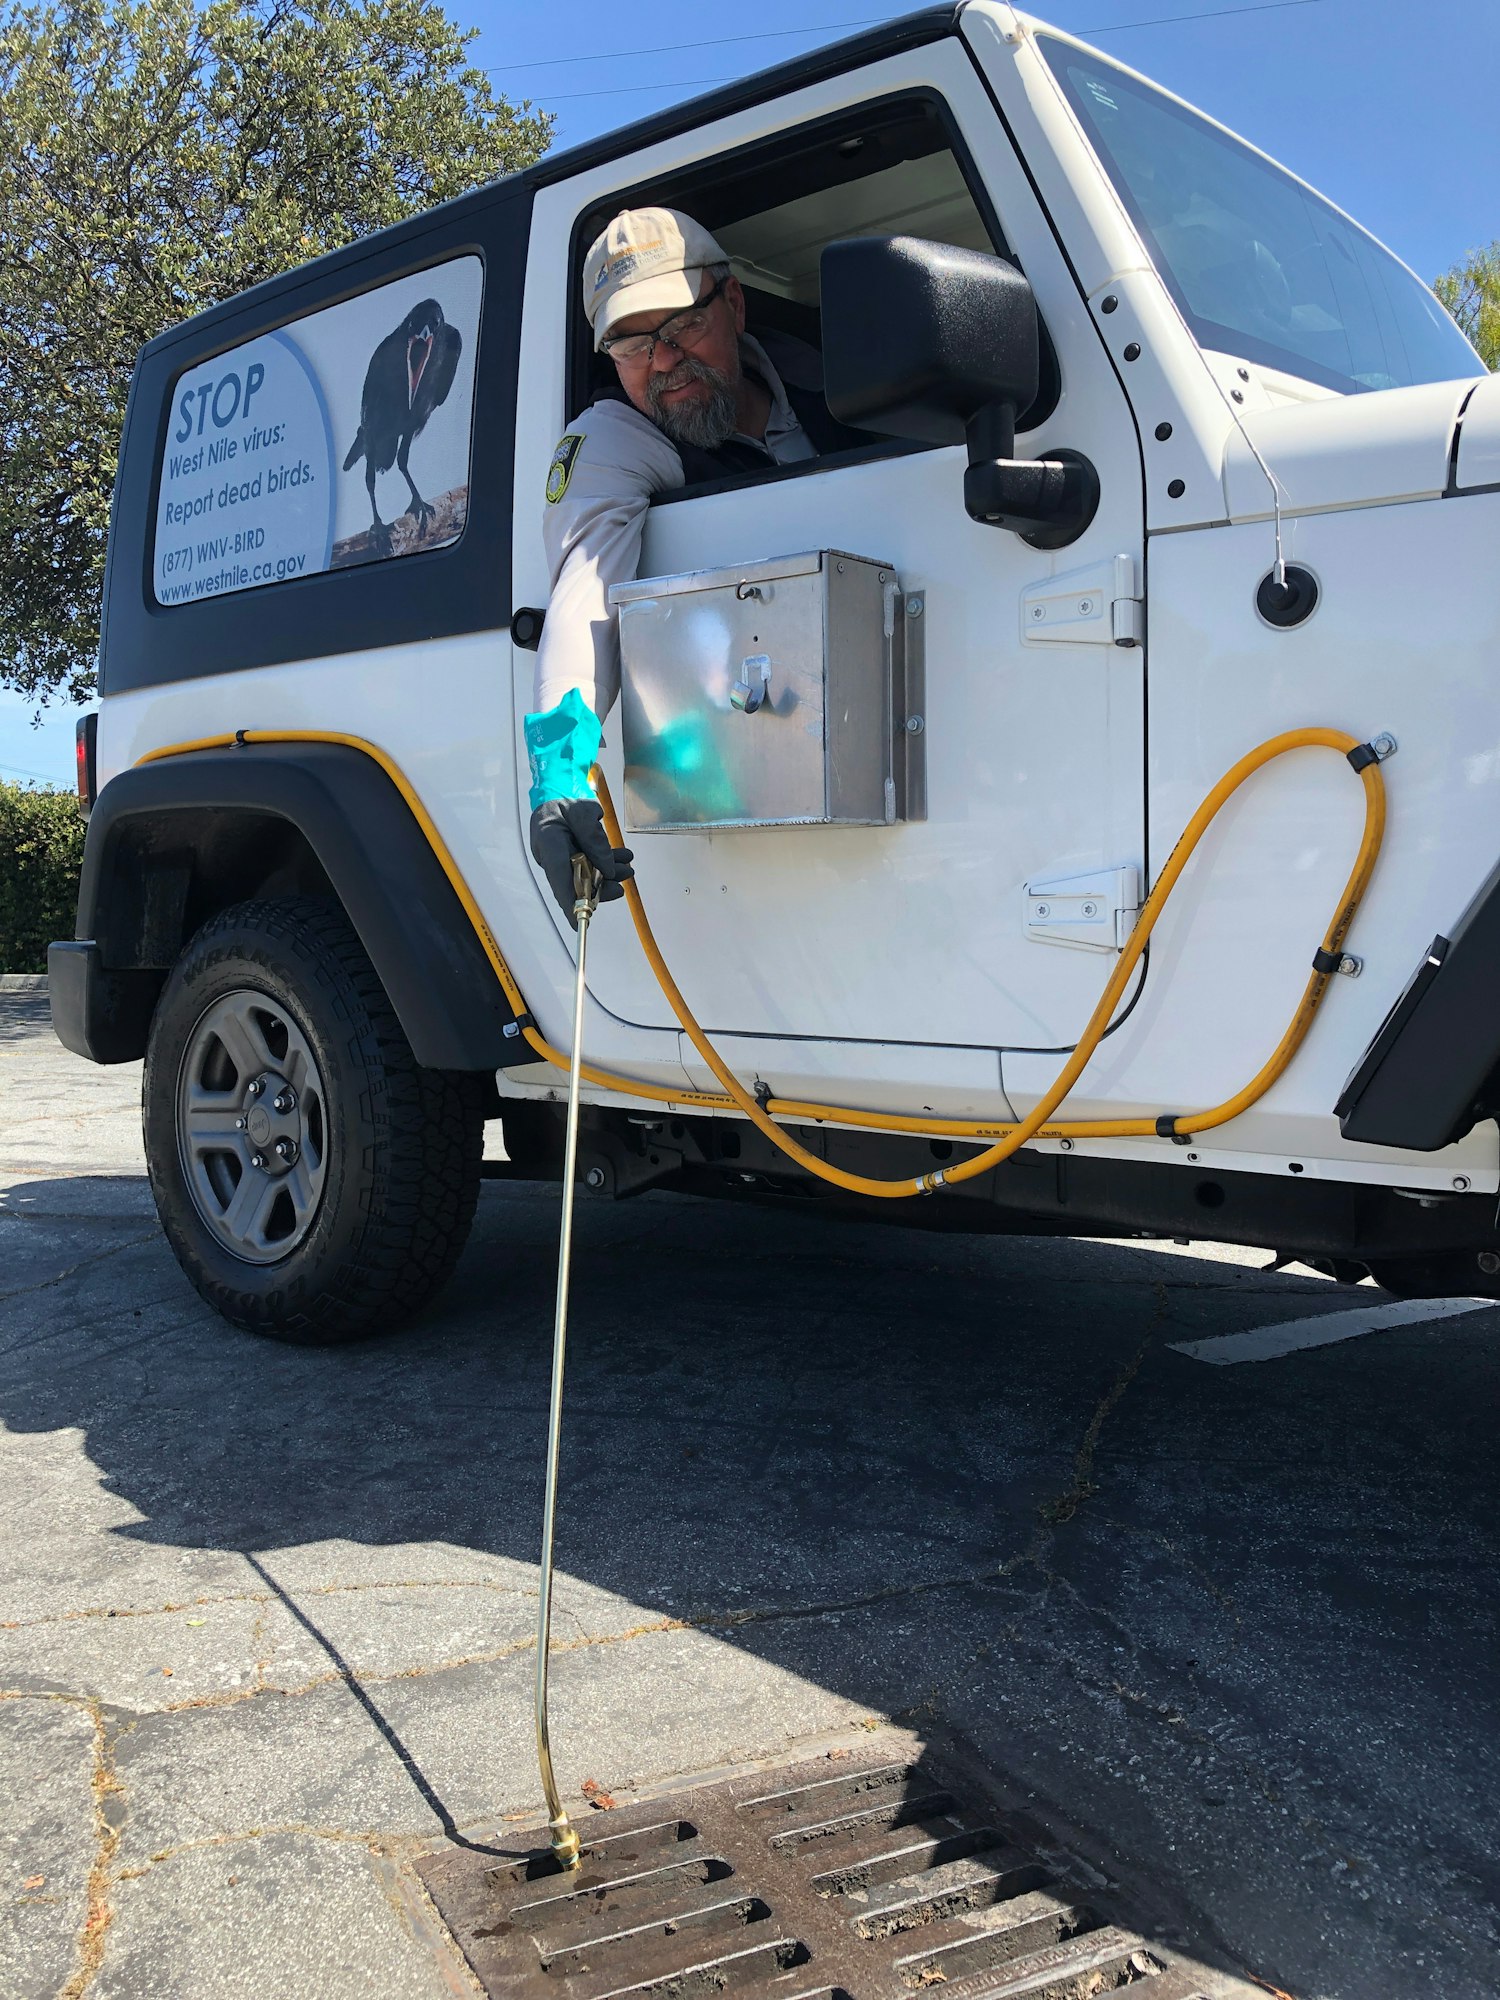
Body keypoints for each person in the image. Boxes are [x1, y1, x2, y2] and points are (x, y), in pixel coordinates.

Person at [525, 205, 864, 920]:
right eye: (633, 346)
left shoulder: (833, 374)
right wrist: (561, 775)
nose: (665, 361)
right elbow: (585, 593)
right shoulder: (613, 439)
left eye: (682, 328)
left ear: (732, 302)